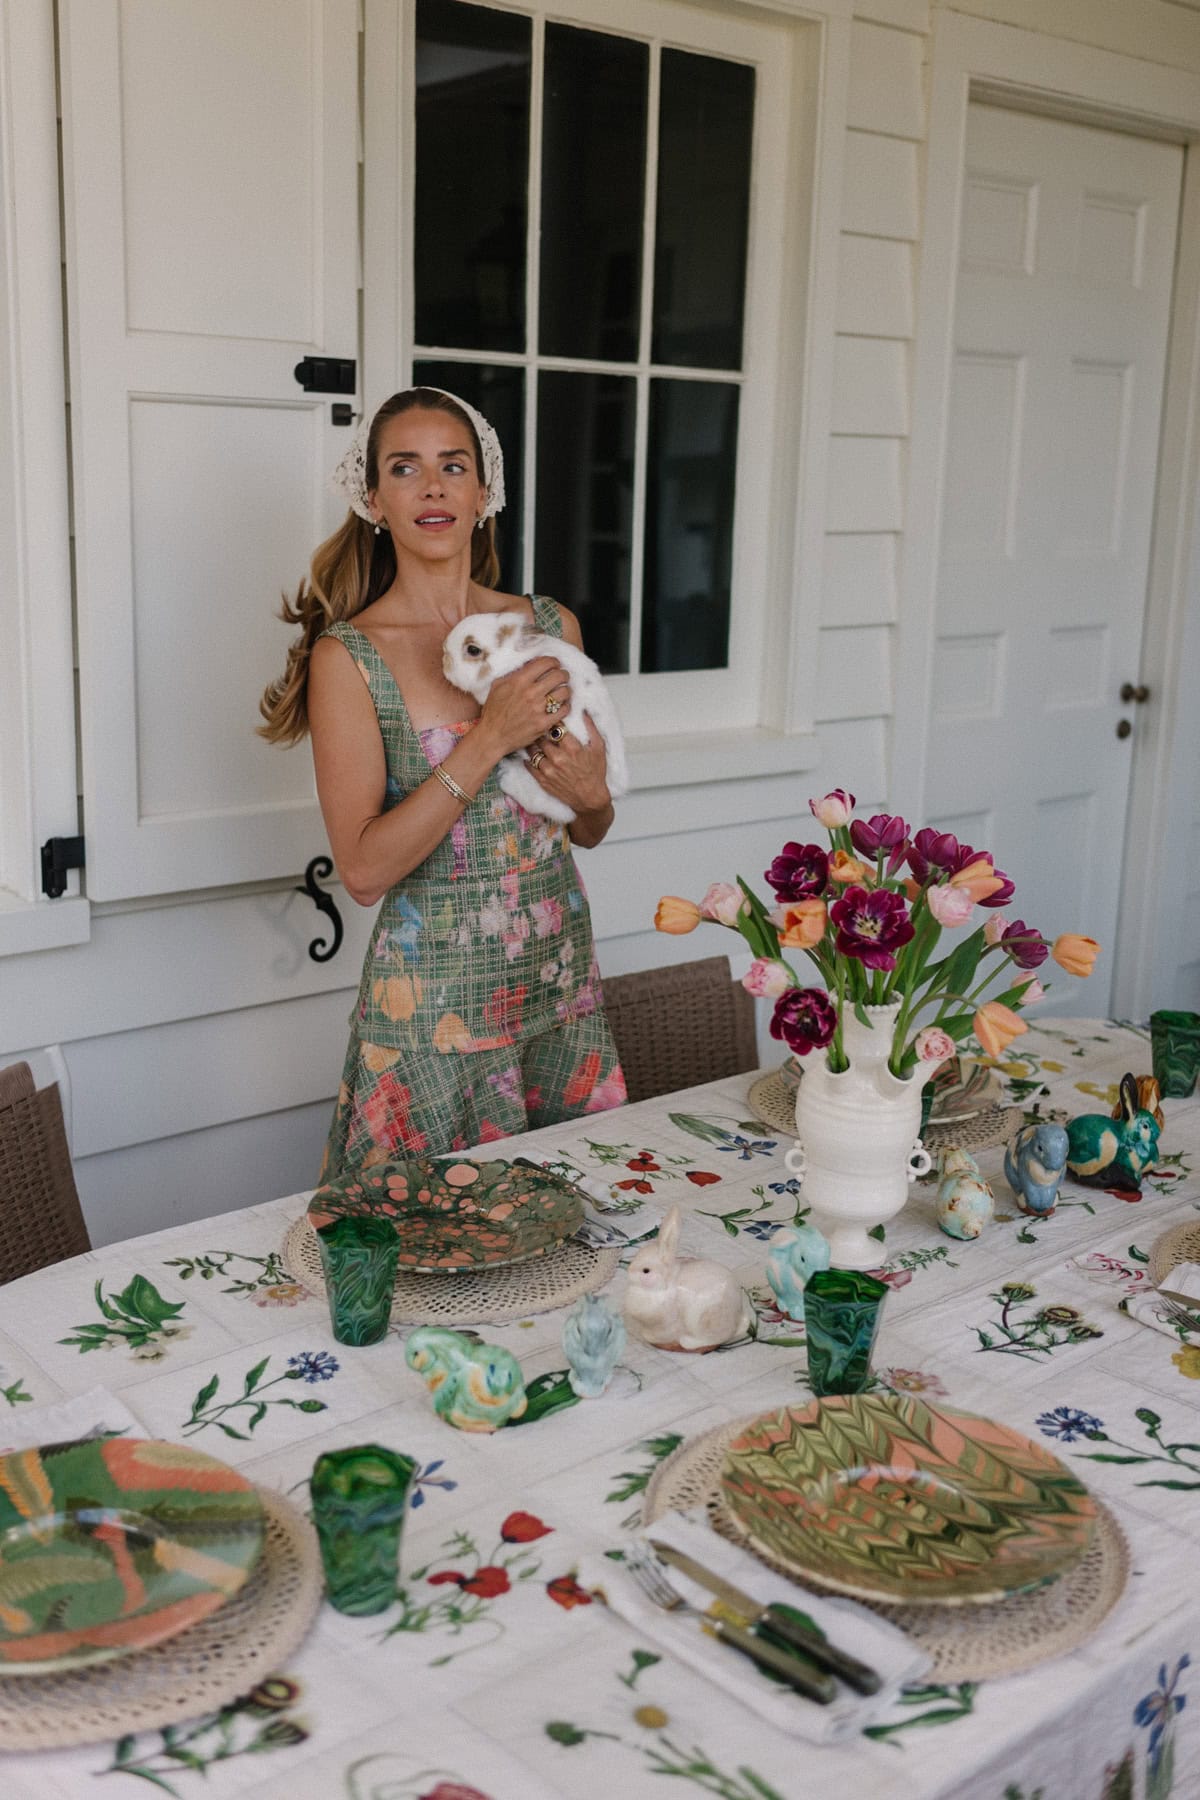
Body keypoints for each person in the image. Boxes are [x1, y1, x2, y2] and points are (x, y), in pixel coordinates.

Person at [259, 387, 626, 1176]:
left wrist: (594, 795)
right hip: (431, 1013)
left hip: (556, 985)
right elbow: (361, 870)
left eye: (452, 466)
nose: (433, 486)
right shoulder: (349, 658)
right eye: (406, 468)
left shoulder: (551, 628)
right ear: (373, 499)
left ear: (483, 493)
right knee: (431, 1254)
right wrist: (488, 738)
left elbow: (586, 824)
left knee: (568, 1234)